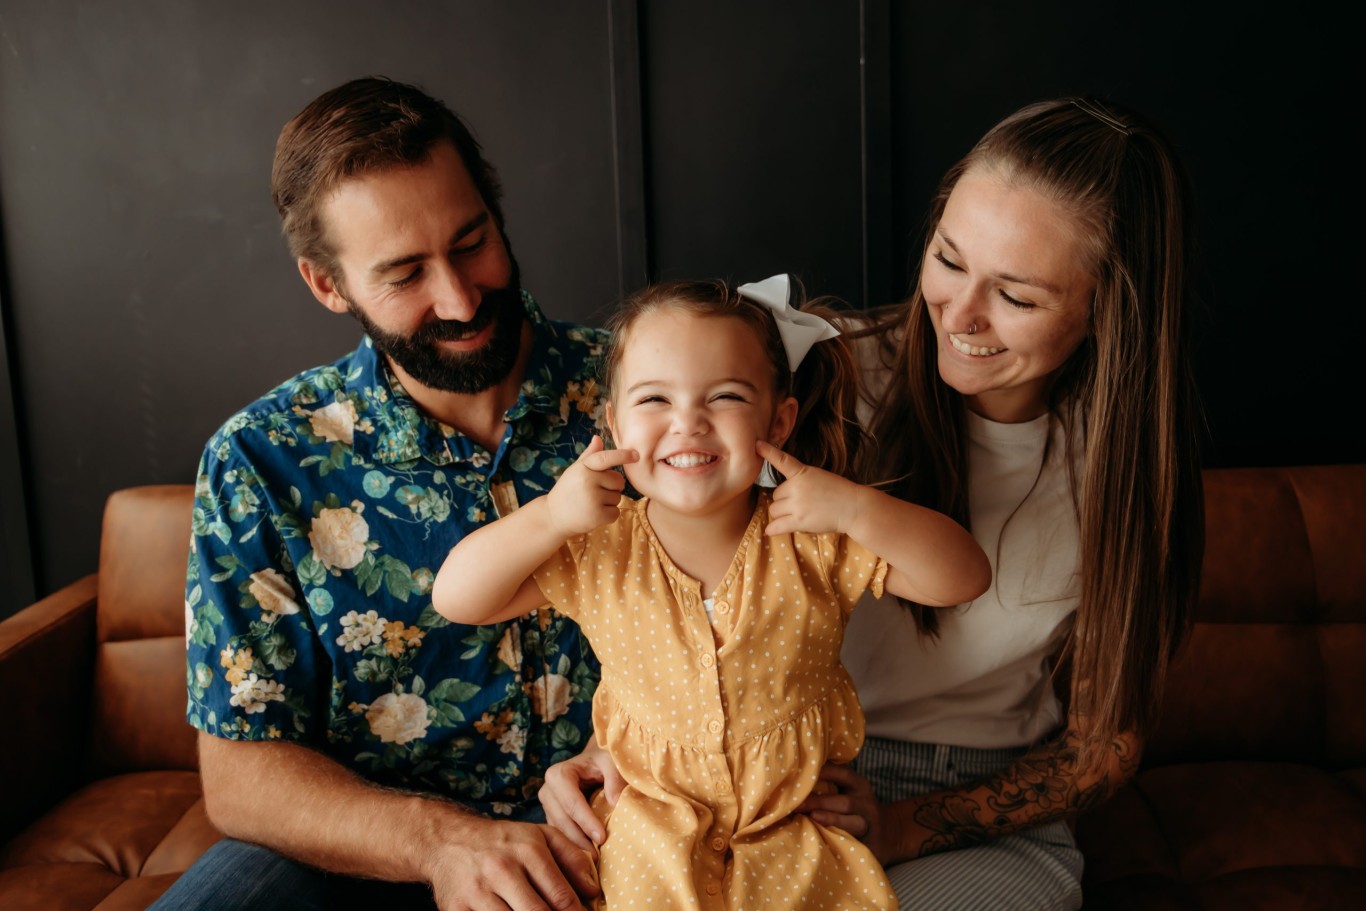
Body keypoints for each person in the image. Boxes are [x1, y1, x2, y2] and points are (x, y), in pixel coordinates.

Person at [537, 96, 1204, 911]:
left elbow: (1104, 746)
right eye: (949, 259)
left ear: (1109, 306)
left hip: (973, 802)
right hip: (780, 783)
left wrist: (901, 826)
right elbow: (682, 566)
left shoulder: (1126, 477)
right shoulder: (826, 378)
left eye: (1018, 297)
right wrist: (622, 750)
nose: (958, 316)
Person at [155, 77, 611, 911]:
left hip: (622, 832)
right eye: (404, 274)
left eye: (472, 241)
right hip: (372, 853)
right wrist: (440, 842)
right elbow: (239, 776)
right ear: (329, 286)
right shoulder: (259, 459)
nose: (461, 298)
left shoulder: (647, 395)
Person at [432, 275, 992, 910]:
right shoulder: (599, 547)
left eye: (723, 396)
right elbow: (458, 597)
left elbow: (963, 577)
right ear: (615, 425)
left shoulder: (811, 535)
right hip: (649, 835)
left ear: (778, 419)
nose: (688, 423)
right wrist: (551, 516)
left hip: (793, 831)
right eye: (654, 401)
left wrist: (859, 510)